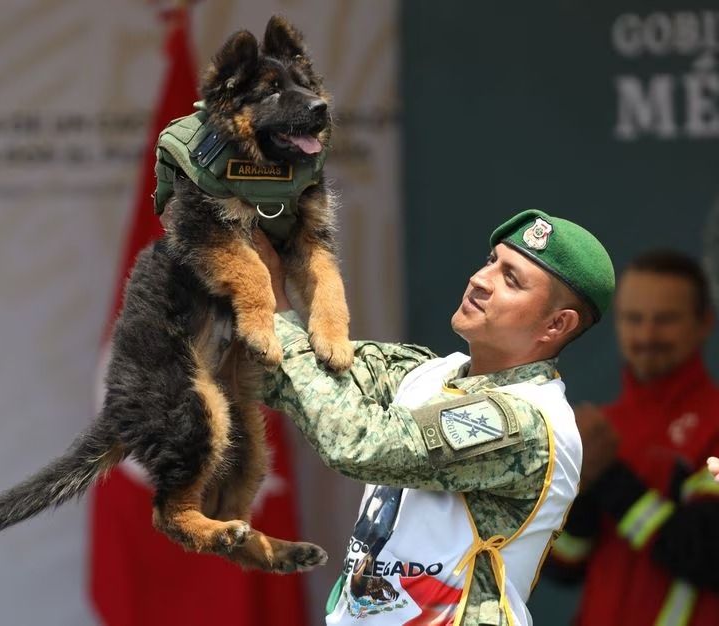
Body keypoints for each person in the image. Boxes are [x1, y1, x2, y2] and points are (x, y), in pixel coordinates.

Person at [253, 209, 615, 625]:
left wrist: (273, 305)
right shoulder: (427, 371)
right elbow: (289, 375)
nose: (482, 279)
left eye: (511, 279)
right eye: (490, 261)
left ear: (556, 324)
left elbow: (358, 444)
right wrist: (235, 259)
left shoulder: (528, 419)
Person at [545, 250, 719, 626]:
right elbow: (563, 567)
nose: (646, 335)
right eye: (633, 319)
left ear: (705, 323)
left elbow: (708, 554)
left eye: (665, 320)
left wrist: (607, 477)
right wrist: (578, 488)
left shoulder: (715, 422)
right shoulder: (602, 427)